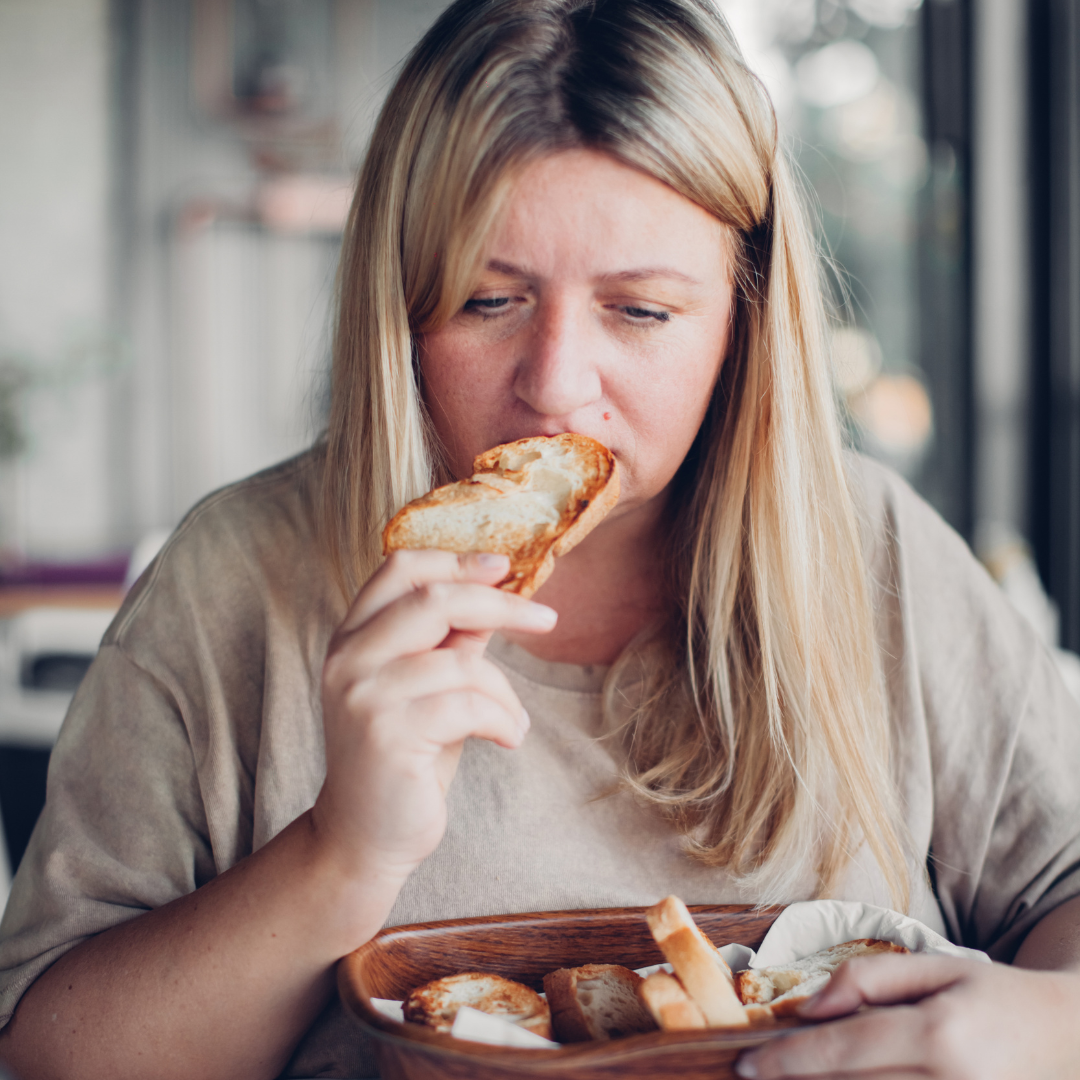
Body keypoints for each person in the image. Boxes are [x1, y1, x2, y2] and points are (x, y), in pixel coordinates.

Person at [1, 0, 1079, 1077]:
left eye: (641, 311)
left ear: (744, 323)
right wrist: (341, 854)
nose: (557, 386)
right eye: (487, 300)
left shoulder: (874, 550)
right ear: (400, 305)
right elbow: (51, 1059)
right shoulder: (231, 581)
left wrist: (1043, 1025)